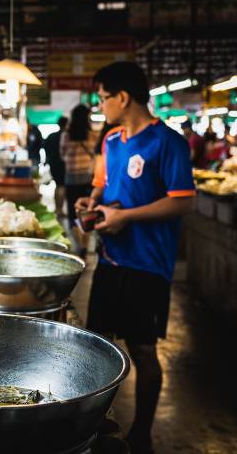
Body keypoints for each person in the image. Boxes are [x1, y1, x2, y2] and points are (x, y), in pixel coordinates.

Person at [76, 62, 195, 454]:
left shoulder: (169, 142)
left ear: (122, 97)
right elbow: (101, 187)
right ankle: (94, 427)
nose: (101, 106)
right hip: (111, 260)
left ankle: (142, 433)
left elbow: (182, 202)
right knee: (97, 345)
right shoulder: (111, 141)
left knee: (143, 350)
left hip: (148, 266)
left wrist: (125, 216)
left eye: (103, 99)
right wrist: (90, 206)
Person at [60, 104, 96, 255]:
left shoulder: (66, 135)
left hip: (71, 179)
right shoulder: (91, 134)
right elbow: (95, 155)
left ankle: (79, 243)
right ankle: (86, 244)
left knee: (73, 212)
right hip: (88, 179)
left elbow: (62, 155)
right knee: (87, 212)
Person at [43, 116, 68, 217]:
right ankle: (60, 210)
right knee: (62, 186)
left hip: (53, 164)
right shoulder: (67, 136)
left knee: (57, 186)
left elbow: (44, 147)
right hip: (63, 164)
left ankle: (57, 208)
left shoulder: (51, 136)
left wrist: (48, 159)